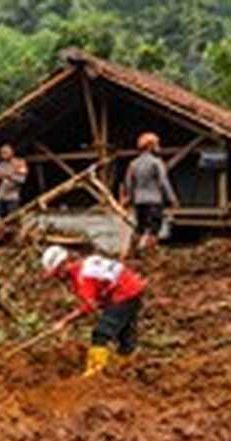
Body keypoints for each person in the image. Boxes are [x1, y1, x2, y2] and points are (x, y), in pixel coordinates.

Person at [42, 245, 146, 378]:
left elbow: (90, 306)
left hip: (124, 293)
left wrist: (65, 321)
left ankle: (95, 375)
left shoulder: (84, 276)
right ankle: (124, 368)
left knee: (101, 333)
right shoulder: (84, 267)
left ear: (63, 266)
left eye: (56, 273)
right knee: (125, 335)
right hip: (131, 290)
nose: (58, 278)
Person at [122, 132, 179, 260]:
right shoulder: (156, 162)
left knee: (140, 227)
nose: (158, 147)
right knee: (154, 228)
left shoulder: (133, 164)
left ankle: (131, 253)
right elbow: (163, 182)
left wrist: (129, 199)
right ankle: (149, 255)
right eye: (156, 144)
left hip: (139, 201)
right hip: (154, 200)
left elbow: (129, 184)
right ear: (151, 146)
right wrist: (172, 198)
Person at [0, 145, 28, 218]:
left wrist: (9, 176)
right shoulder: (0, 166)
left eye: (5, 152)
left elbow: (22, 180)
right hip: (1, 197)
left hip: (12, 197)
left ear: (12, 152)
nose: (3, 155)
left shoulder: (20, 163)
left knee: (12, 219)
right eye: (2, 153)